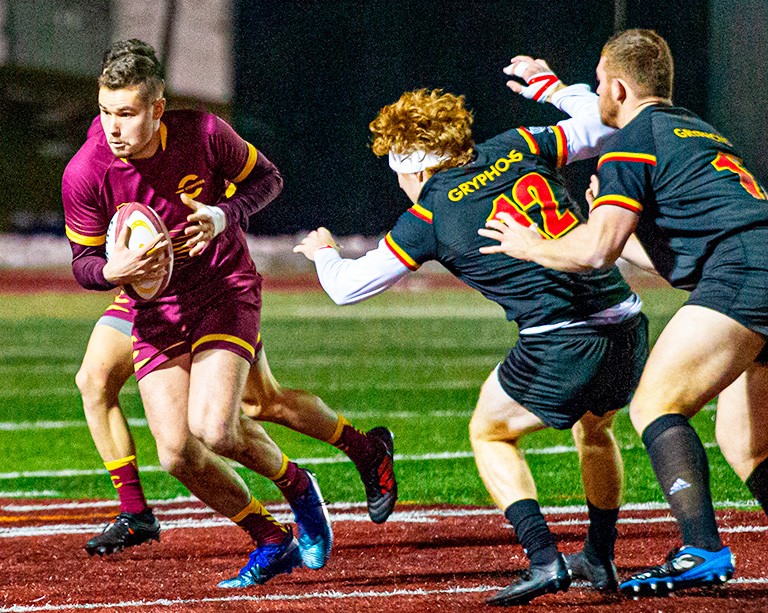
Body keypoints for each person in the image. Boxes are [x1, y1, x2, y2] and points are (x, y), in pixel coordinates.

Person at [294, 62, 649, 606]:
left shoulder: (431, 210)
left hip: (562, 338)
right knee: (593, 429)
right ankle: (599, 556)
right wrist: (554, 91)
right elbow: (607, 125)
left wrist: (323, 253)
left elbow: (346, 288)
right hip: (625, 319)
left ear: (410, 167)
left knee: (489, 431)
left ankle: (544, 559)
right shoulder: (518, 142)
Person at [479, 29, 768, 597]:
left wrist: (532, 243)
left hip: (744, 272)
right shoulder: (698, 131)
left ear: (615, 86)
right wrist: (603, 226)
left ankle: (702, 549)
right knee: (747, 444)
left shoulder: (630, 143)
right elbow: (672, 257)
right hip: (752, 264)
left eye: (598, 83)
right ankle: (701, 545)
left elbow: (594, 252)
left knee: (657, 404)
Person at [62, 38, 344, 588]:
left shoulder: (205, 133)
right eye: (105, 112)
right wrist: (111, 272)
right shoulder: (85, 171)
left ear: (157, 108)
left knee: (214, 428)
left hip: (222, 290)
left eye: (126, 113)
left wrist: (223, 213)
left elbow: (269, 180)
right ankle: (270, 538)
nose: (112, 127)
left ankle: (300, 490)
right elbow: (82, 263)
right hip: (156, 310)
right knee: (176, 455)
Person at [78, 290, 397, 558]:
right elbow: (86, 261)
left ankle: (367, 451)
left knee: (261, 402)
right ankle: (135, 511)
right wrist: (111, 266)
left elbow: (234, 213)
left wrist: (216, 222)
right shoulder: (87, 211)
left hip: (206, 291)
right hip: (144, 298)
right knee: (94, 380)